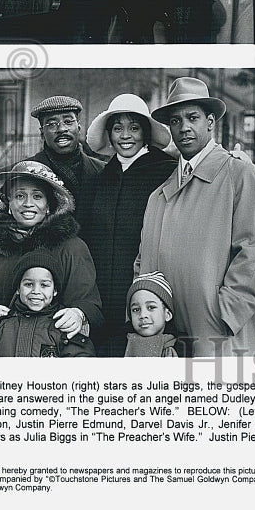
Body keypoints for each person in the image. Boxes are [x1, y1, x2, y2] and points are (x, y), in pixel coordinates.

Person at [136, 77, 255, 356]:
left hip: (218, 334)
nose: (184, 127)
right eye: (175, 121)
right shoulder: (158, 196)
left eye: (193, 117)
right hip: (169, 336)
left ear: (210, 122)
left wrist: (226, 313)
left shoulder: (240, 174)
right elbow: (143, 262)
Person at [0, 160, 103, 344]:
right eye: (20, 196)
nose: (28, 204)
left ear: (49, 206)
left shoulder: (71, 248)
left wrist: (79, 314)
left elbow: (90, 304)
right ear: (8, 203)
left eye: (37, 196)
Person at [78, 94, 178, 356]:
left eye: (134, 127)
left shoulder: (165, 172)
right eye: (118, 128)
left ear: (145, 132)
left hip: (142, 291)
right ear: (109, 134)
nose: (126, 136)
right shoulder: (102, 176)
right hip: (100, 293)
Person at [0, 249, 96, 357]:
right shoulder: (2, 325)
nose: (36, 291)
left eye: (44, 285)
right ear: (18, 289)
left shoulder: (63, 324)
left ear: (55, 290)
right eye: (28, 284)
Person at [124, 272, 177, 357]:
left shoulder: (182, 347)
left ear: (167, 314)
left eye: (151, 307)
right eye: (136, 309)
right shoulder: (115, 347)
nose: (142, 315)